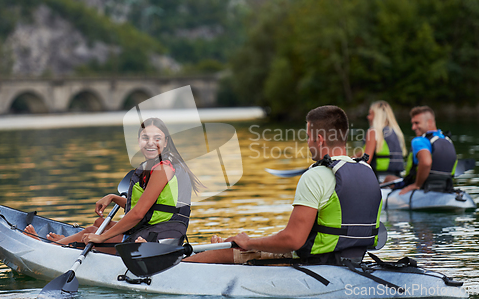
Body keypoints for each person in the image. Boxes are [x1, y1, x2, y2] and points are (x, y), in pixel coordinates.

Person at [185, 105, 383, 265]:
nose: (307, 142)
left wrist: (248, 242)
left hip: (318, 262)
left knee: (232, 251)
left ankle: (180, 268)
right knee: (240, 243)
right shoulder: (367, 171)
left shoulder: (316, 175)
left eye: (307, 137)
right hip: (354, 260)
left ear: (319, 139)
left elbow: (293, 240)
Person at [24, 117, 203, 252]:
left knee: (92, 231)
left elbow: (138, 213)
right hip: (156, 232)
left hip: (158, 241)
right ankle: (64, 242)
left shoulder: (162, 169)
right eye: (145, 138)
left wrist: (100, 238)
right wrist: (114, 197)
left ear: (165, 142)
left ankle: (49, 248)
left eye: (157, 138)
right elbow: (152, 208)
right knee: (99, 223)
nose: (150, 143)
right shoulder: (157, 166)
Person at [386, 106, 457, 195]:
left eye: (417, 123)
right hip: (444, 186)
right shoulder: (447, 140)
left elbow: (426, 162)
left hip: (423, 187)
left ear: (429, 122)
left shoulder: (419, 140)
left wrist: (416, 185)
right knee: (390, 178)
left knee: (388, 179)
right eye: (412, 123)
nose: (413, 127)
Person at [356, 101, 407, 180]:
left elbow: (366, 160)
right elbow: (363, 152)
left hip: (380, 179)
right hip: (397, 178)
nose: (368, 117)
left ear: (377, 116)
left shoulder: (373, 132)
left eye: (370, 114)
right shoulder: (396, 132)